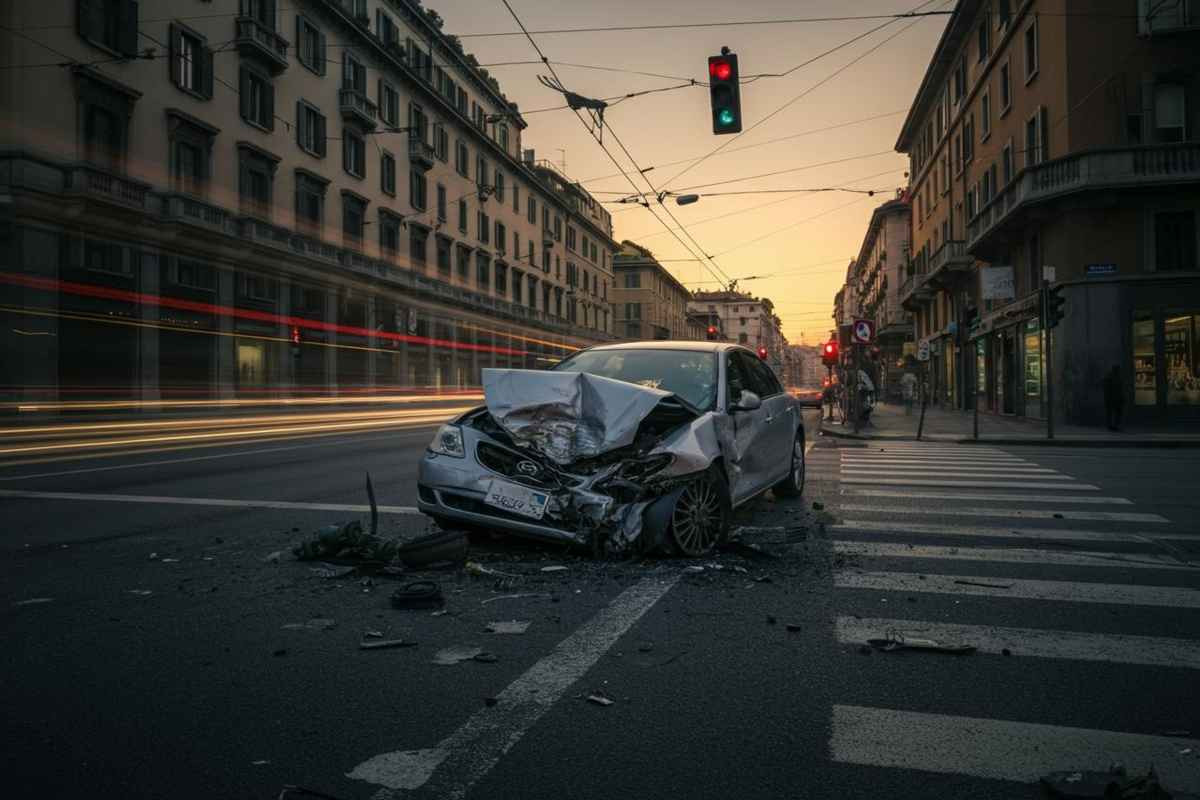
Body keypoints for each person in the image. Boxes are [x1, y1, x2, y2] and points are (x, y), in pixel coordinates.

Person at [1103, 365, 1123, 431]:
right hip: (1114, 398)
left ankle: (1112, 425)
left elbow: (1106, 388)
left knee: (1111, 413)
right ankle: (1113, 425)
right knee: (1115, 413)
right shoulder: (1116, 377)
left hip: (1112, 398)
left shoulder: (1109, 377)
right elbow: (1120, 389)